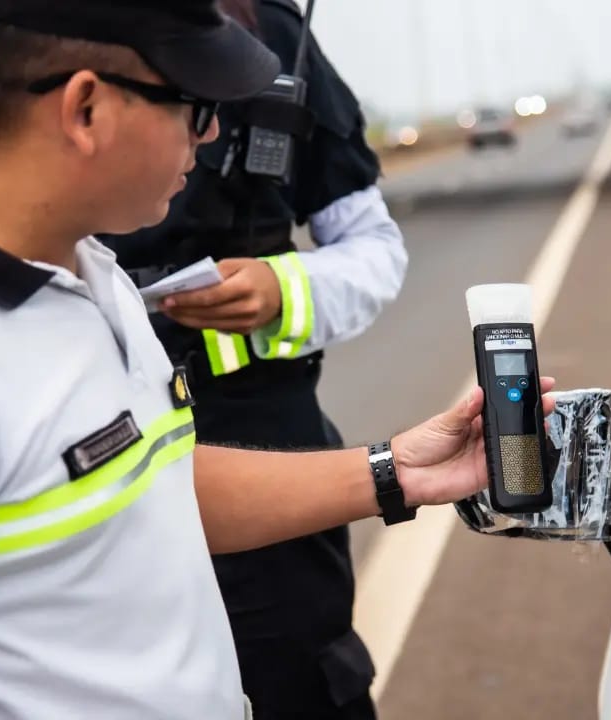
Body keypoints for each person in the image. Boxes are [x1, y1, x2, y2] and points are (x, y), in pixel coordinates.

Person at [0, 1, 555, 719]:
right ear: (86, 109)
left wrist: (401, 470)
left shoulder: (92, 274)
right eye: (195, 105)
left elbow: (158, 483)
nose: (208, 136)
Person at [97, 0, 405, 716]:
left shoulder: (275, 38)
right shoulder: (44, 35)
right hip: (99, 452)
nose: (198, 135)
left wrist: (282, 288)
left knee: (299, 683)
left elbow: (373, 248)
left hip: (262, 434)